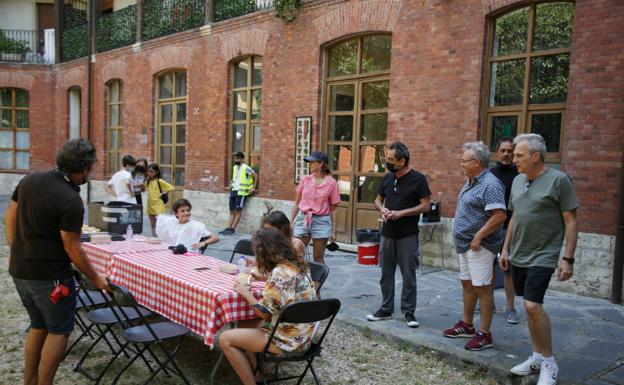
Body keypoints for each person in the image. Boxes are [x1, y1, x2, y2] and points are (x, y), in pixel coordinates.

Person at [5, 139, 110, 385]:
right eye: (91, 167)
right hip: (50, 276)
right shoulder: (71, 199)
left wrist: (15, 249)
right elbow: (72, 245)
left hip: (20, 270)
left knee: (38, 325)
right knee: (59, 331)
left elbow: (10, 215)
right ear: (83, 168)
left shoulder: (31, 179)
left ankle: (29, 381)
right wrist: (96, 278)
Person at [500, 134, 578, 385]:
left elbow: (571, 221)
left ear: (536, 156)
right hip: (519, 253)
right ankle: (536, 356)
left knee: (533, 306)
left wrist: (568, 259)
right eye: (513, 155)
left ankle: (549, 362)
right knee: (528, 307)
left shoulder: (559, 180)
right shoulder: (518, 181)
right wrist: (505, 249)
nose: (514, 160)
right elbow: (514, 217)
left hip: (544, 254)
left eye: (519, 155)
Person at [219, 228, 316, 385]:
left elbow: (264, 313)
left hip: (288, 341)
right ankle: (258, 374)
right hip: (304, 335)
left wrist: (245, 293)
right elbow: (288, 284)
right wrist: (266, 277)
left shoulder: (279, 273)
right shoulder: (299, 264)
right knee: (245, 323)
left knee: (225, 339)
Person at [443, 141, 506, 351]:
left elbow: (499, 216)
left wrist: (478, 236)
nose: (461, 163)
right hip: (466, 245)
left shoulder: (490, 184)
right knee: (467, 285)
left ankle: (485, 333)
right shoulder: (471, 181)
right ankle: (467, 325)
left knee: (483, 288)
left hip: (481, 245)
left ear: (477, 162)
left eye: (464, 160)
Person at [366, 141, 431, 328]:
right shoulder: (388, 178)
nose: (388, 162)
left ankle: (409, 312)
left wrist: (402, 213)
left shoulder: (418, 179)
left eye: (391, 160)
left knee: (408, 274)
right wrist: (383, 209)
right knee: (386, 273)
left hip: (408, 234)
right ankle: (385, 309)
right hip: (387, 233)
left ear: (402, 161)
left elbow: (426, 205)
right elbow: (377, 200)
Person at [290, 151, 340, 264]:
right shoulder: (305, 180)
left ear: (321, 164)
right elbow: (297, 202)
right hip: (303, 219)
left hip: (321, 222)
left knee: (318, 258)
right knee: (296, 254)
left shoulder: (332, 183)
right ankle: (297, 280)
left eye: (312, 162)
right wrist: (291, 221)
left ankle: (317, 281)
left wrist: (334, 230)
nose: (310, 164)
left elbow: (334, 208)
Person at [490, 137, 519, 324]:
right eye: (503, 150)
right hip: (492, 227)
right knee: (489, 267)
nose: (506, 154)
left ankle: (510, 307)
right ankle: (488, 303)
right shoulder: (490, 174)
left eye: (510, 151)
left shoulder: (520, 175)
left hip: (512, 226)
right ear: (497, 152)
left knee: (508, 270)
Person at [220, 152, 258, 235]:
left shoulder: (246, 168)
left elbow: (255, 175)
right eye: (235, 158)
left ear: (242, 159)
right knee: (231, 211)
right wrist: (231, 185)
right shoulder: (235, 168)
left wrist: (253, 188)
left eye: (237, 158)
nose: (235, 160)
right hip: (234, 191)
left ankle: (232, 229)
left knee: (237, 211)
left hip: (241, 192)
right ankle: (228, 228)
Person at [145, 163, 175, 235]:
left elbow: (172, 188)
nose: (149, 173)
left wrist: (164, 193)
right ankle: (154, 237)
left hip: (158, 205)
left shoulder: (159, 181)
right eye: (148, 171)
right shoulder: (147, 181)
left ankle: (161, 238)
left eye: (152, 171)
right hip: (150, 205)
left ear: (157, 172)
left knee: (160, 225)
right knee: (152, 225)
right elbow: (145, 189)